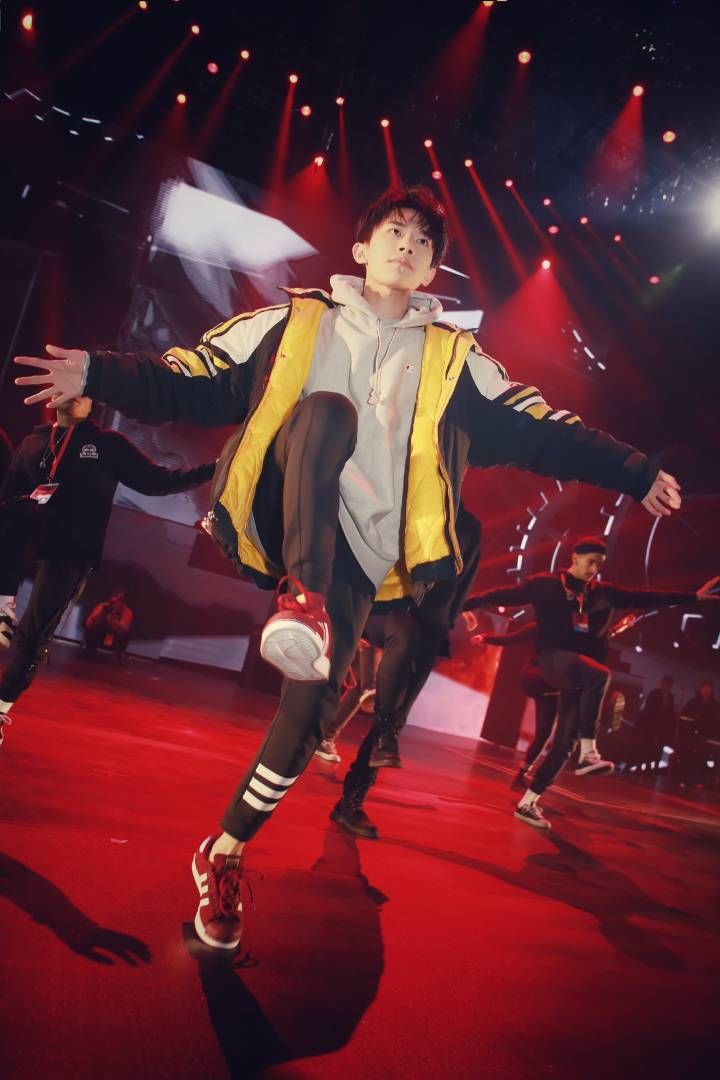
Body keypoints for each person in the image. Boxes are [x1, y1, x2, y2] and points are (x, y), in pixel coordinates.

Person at [15, 184, 683, 949]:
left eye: (423, 242)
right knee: (328, 410)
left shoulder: (455, 362)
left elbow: (543, 430)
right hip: (284, 509)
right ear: (362, 248)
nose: (407, 244)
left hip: (364, 558)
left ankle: (224, 850)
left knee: (305, 718)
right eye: (394, 231)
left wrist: (632, 470)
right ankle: (301, 597)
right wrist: (96, 374)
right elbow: (191, 377)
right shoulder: (294, 322)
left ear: (430, 271)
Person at [464, 536, 719, 829]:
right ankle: (590, 752)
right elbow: (500, 595)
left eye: (600, 564)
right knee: (601, 675)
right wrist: (461, 605)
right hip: (553, 660)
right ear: (575, 557)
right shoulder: (546, 585)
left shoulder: (604, 593)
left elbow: (649, 597)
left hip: (579, 677)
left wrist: (694, 597)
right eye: (590, 562)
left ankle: (528, 802)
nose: (594, 569)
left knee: (564, 744)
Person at [0, 396, 214, 743]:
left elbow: (159, 482)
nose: (78, 395)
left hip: (68, 551)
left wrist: (214, 469)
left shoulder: (106, 444)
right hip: (24, 540)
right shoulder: (33, 443)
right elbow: (8, 500)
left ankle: (1, 707)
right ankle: (3, 606)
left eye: (85, 390)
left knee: (33, 635)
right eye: (72, 387)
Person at [330, 505, 482, 839]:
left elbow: (463, 582)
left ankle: (351, 801)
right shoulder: (409, 497)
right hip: (389, 606)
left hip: (430, 624)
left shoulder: (470, 526)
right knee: (403, 636)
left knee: (398, 717)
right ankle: (365, 731)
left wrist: (447, 621)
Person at [471, 622, 561, 790]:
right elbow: (511, 639)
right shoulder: (541, 626)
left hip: (547, 683)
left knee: (544, 733)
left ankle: (521, 775)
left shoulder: (568, 630)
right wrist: (486, 638)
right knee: (547, 730)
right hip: (537, 677)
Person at [676, 680, 719, 789]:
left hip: (706, 736)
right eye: (704, 688)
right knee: (689, 756)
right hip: (692, 735)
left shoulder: (715, 705)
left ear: (712, 690)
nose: (706, 690)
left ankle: (699, 780)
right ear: (700, 689)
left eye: (709, 688)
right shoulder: (692, 702)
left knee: (702, 758)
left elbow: (716, 721)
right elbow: (684, 717)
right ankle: (685, 779)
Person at [634, 675, 677, 770]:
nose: (667, 686)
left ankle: (653, 768)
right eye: (666, 684)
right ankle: (641, 767)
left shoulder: (670, 697)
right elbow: (649, 709)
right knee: (646, 747)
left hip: (662, 728)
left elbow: (670, 713)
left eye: (669, 685)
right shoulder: (654, 694)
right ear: (662, 684)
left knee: (657, 749)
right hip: (651, 726)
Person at [84, 590, 134, 661]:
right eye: (113, 601)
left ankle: (118, 656)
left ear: (123, 602)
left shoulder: (127, 612)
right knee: (92, 628)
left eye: (119, 600)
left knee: (125, 635)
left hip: (115, 639)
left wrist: (112, 618)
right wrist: (100, 614)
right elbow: (88, 624)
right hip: (100, 636)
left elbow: (123, 630)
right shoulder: (102, 606)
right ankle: (90, 651)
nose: (115, 602)